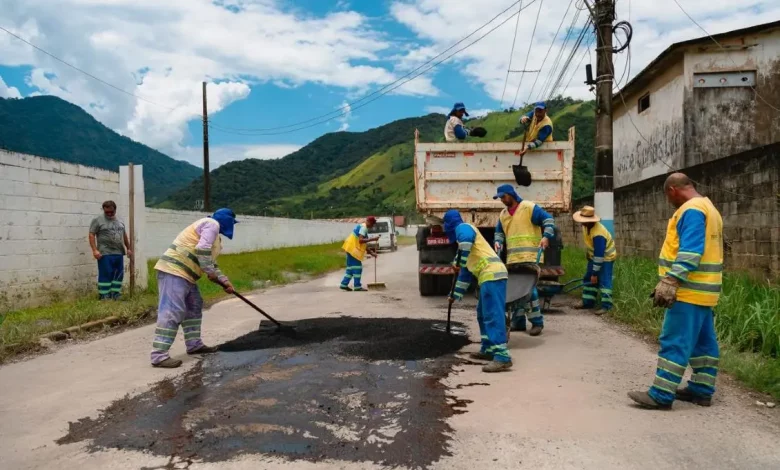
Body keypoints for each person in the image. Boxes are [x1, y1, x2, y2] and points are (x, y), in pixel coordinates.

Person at [628, 173, 723, 409]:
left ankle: (661, 394)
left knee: (675, 340)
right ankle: (702, 390)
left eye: (667, 196)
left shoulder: (690, 210)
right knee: (704, 343)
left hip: (687, 291)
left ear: (672, 190)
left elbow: (691, 251)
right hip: (706, 292)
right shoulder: (709, 208)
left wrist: (671, 280)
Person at [150, 208, 238, 368]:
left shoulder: (216, 237)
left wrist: (225, 281)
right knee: (172, 311)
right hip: (174, 271)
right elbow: (201, 251)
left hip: (187, 276)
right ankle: (159, 355)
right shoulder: (211, 224)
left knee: (194, 307)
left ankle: (194, 345)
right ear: (227, 221)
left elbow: (210, 262)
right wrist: (210, 272)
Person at [444, 209, 512, 373]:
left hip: (493, 275)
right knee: (482, 314)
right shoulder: (464, 245)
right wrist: (454, 295)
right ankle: (488, 349)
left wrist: (458, 261)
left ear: (449, 225)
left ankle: (502, 357)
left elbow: (465, 243)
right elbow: (465, 275)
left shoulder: (464, 227)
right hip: (488, 277)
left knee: (492, 314)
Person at [493, 184, 555, 336]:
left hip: (530, 257)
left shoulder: (528, 208)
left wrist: (546, 236)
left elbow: (548, 220)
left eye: (503, 196)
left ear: (511, 194)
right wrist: (498, 241)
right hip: (513, 259)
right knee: (516, 291)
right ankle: (519, 322)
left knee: (529, 291)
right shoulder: (503, 214)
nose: (501, 199)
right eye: (499, 197)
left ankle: (537, 323)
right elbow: (499, 232)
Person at [572, 205, 616, 315]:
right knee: (588, 278)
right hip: (594, 257)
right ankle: (588, 302)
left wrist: (595, 273)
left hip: (606, 258)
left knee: (604, 281)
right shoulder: (586, 227)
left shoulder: (599, 233)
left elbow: (599, 254)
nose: (581, 223)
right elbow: (591, 245)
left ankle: (606, 306)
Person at [88, 200, 132, 300]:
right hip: (105, 253)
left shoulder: (120, 220)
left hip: (118, 252)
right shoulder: (98, 220)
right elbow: (91, 234)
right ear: (104, 210)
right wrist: (95, 250)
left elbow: (124, 235)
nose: (109, 214)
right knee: (106, 273)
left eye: (111, 212)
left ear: (115, 209)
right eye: (106, 212)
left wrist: (128, 248)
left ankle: (115, 294)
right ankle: (104, 295)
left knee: (118, 274)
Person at [340, 216, 380, 292]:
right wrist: (373, 239)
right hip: (353, 250)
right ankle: (357, 286)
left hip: (349, 248)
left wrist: (371, 253)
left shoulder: (361, 226)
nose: (373, 225)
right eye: (373, 223)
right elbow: (361, 241)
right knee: (357, 268)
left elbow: (363, 244)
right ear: (369, 222)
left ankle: (344, 284)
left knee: (350, 268)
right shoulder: (364, 228)